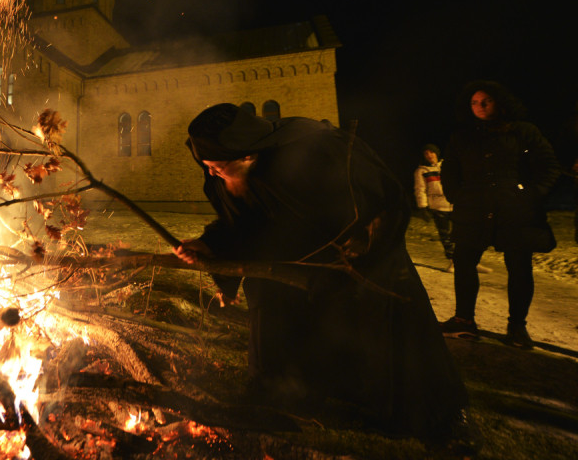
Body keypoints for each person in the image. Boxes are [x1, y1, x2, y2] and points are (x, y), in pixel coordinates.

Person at [174, 103, 472, 449]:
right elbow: (243, 226)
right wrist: (210, 244)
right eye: (207, 167)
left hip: (361, 261)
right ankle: (283, 397)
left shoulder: (318, 150)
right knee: (276, 324)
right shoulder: (226, 175)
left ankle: (439, 416)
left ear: (247, 154)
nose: (211, 174)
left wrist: (365, 243)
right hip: (288, 267)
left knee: (388, 334)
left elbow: (383, 201)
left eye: (218, 167)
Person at [439, 81, 561, 349]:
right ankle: (464, 322)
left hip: (515, 211)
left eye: (486, 101)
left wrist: (530, 195)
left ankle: (517, 327)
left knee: (518, 266)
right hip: (473, 208)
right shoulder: (462, 135)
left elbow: (549, 167)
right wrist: (456, 195)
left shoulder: (524, 131)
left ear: (499, 102)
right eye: (474, 102)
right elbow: (450, 170)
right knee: (463, 261)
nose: (480, 107)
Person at [413, 144, 493, 274]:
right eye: (426, 153)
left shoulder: (448, 166)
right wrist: (423, 207)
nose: (429, 155)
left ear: (436, 153)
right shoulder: (422, 171)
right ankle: (453, 262)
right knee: (446, 236)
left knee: (466, 233)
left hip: (456, 204)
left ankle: (473, 262)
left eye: (431, 152)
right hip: (438, 206)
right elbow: (420, 189)